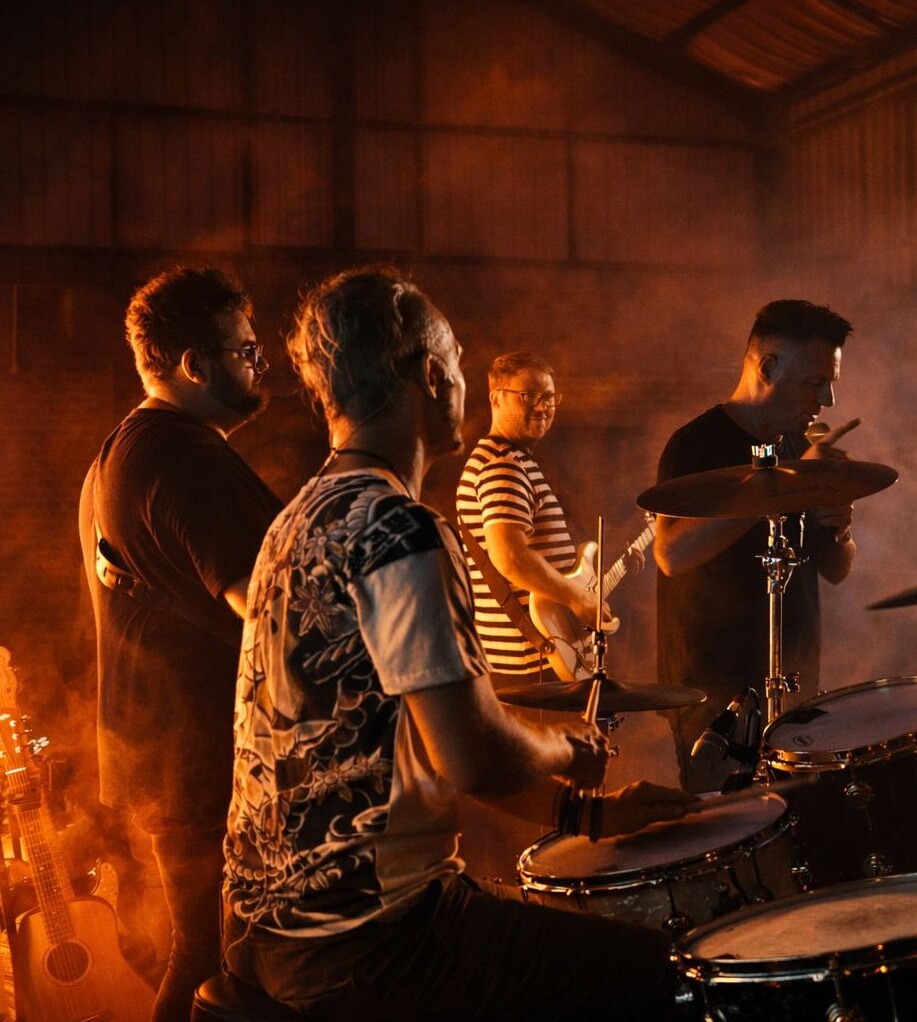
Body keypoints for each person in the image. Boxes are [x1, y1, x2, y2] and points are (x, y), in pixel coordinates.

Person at [222, 266, 694, 1020]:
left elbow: (417, 744)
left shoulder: (295, 522)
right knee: (658, 973)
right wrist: (566, 747)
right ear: (433, 376)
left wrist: (593, 817)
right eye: (460, 364)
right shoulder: (400, 529)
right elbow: (474, 755)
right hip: (374, 936)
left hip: (272, 930)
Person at [79, 267, 282, 1021]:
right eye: (246, 350)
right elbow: (270, 610)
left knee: (209, 955)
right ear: (195, 365)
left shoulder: (120, 451)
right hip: (199, 761)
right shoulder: (183, 456)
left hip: (167, 759)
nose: (260, 364)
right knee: (214, 960)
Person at [654, 299, 858, 792]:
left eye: (830, 383)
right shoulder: (697, 444)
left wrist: (839, 526)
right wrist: (783, 486)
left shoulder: (798, 446)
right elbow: (671, 554)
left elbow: (837, 570)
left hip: (794, 681)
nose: (828, 400)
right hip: (716, 694)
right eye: (815, 383)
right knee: (730, 828)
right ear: (767, 368)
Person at [455, 351, 618, 687]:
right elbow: (510, 557)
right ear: (496, 398)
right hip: (530, 667)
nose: (543, 407)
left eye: (549, 397)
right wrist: (576, 598)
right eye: (529, 396)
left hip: (537, 661)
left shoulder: (512, 460)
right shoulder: (503, 465)